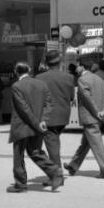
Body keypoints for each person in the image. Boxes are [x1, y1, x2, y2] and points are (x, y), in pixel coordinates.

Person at [7, 62, 63, 193]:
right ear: (29, 70)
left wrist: (36, 123)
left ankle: (20, 184)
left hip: (22, 125)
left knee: (19, 154)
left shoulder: (16, 86)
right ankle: (55, 171)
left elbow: (23, 109)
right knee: (35, 151)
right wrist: (43, 120)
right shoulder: (41, 84)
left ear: (16, 72)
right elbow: (49, 103)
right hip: (38, 125)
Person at [64, 62, 104, 178]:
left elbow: (87, 99)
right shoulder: (100, 79)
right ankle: (73, 165)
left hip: (90, 117)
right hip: (98, 117)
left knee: (97, 144)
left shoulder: (82, 80)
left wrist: (97, 112)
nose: (75, 69)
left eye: (77, 66)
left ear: (83, 67)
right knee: (85, 143)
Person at [37, 50, 74, 168]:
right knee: (54, 141)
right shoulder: (69, 77)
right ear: (60, 62)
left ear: (47, 64)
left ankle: (56, 174)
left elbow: (38, 98)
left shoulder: (39, 78)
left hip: (48, 117)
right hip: (63, 115)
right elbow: (72, 97)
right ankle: (55, 172)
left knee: (52, 144)